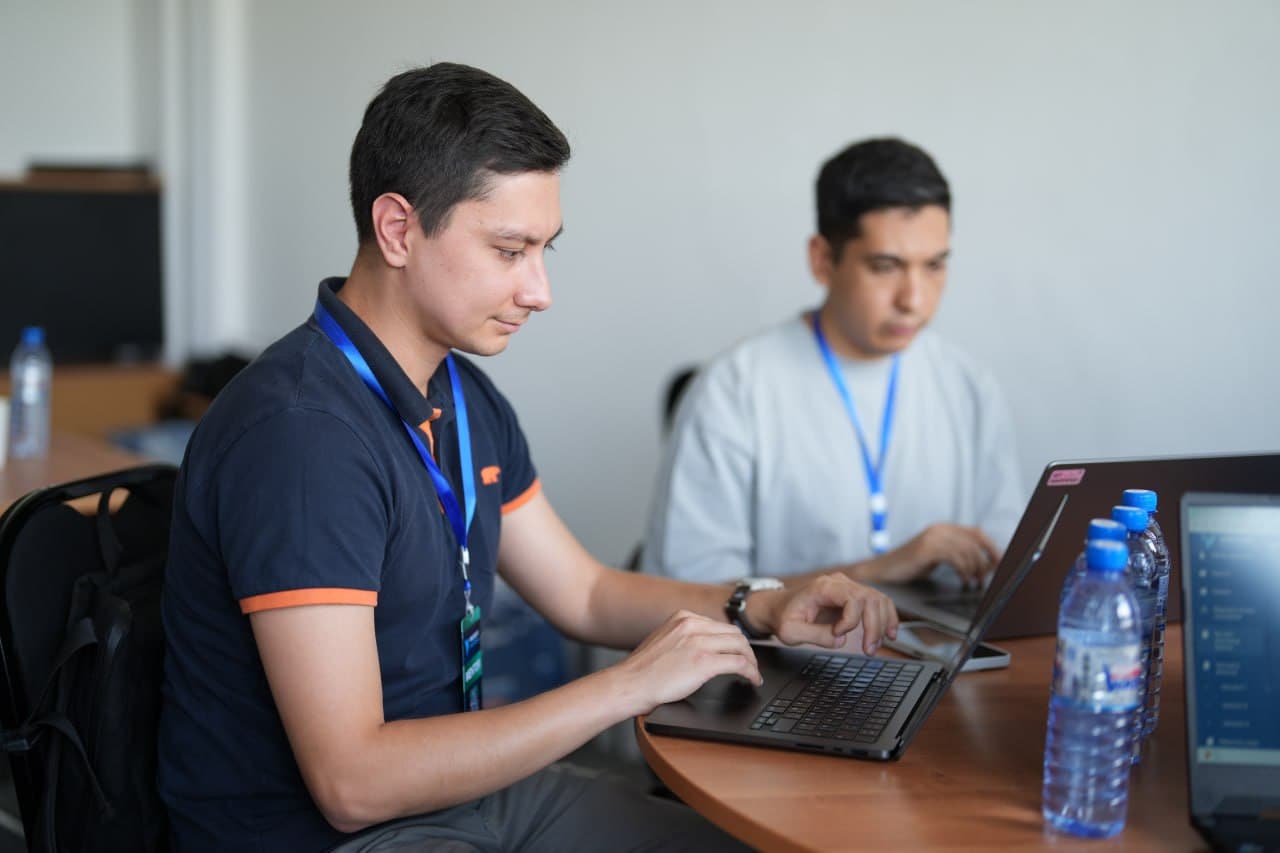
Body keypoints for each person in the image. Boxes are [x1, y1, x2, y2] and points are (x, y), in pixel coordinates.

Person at [157, 63, 899, 852]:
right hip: (332, 834)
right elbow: (352, 783)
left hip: (459, 795)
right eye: (510, 250)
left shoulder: (462, 395)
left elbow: (584, 592)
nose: (540, 289)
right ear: (398, 229)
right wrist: (627, 686)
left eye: (544, 249)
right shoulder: (301, 437)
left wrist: (761, 606)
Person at [641, 138, 1024, 588]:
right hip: (781, 659)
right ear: (822, 260)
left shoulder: (968, 385)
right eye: (885, 266)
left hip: (944, 651)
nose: (914, 301)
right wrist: (874, 573)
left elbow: (1008, 564)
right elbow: (685, 594)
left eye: (935, 265)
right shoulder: (734, 390)